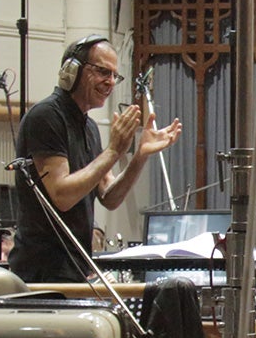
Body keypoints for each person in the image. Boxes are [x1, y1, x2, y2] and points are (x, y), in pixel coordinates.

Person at [10, 37, 181, 282]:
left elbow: (109, 196)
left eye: (114, 75)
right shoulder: (46, 116)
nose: (110, 82)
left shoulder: (89, 126)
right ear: (72, 70)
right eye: (103, 72)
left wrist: (140, 156)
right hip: (41, 272)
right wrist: (113, 151)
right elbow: (62, 196)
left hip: (75, 269)